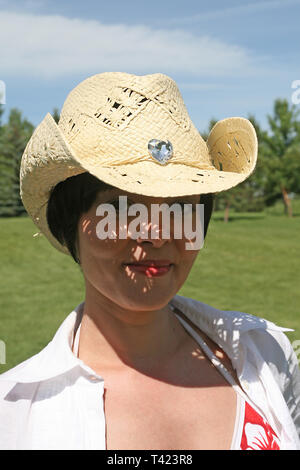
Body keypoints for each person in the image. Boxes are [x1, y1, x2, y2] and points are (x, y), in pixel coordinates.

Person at [0, 72, 299, 450]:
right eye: (122, 208)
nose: (157, 234)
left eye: (179, 207)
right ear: (70, 221)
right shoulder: (15, 415)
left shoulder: (265, 355)